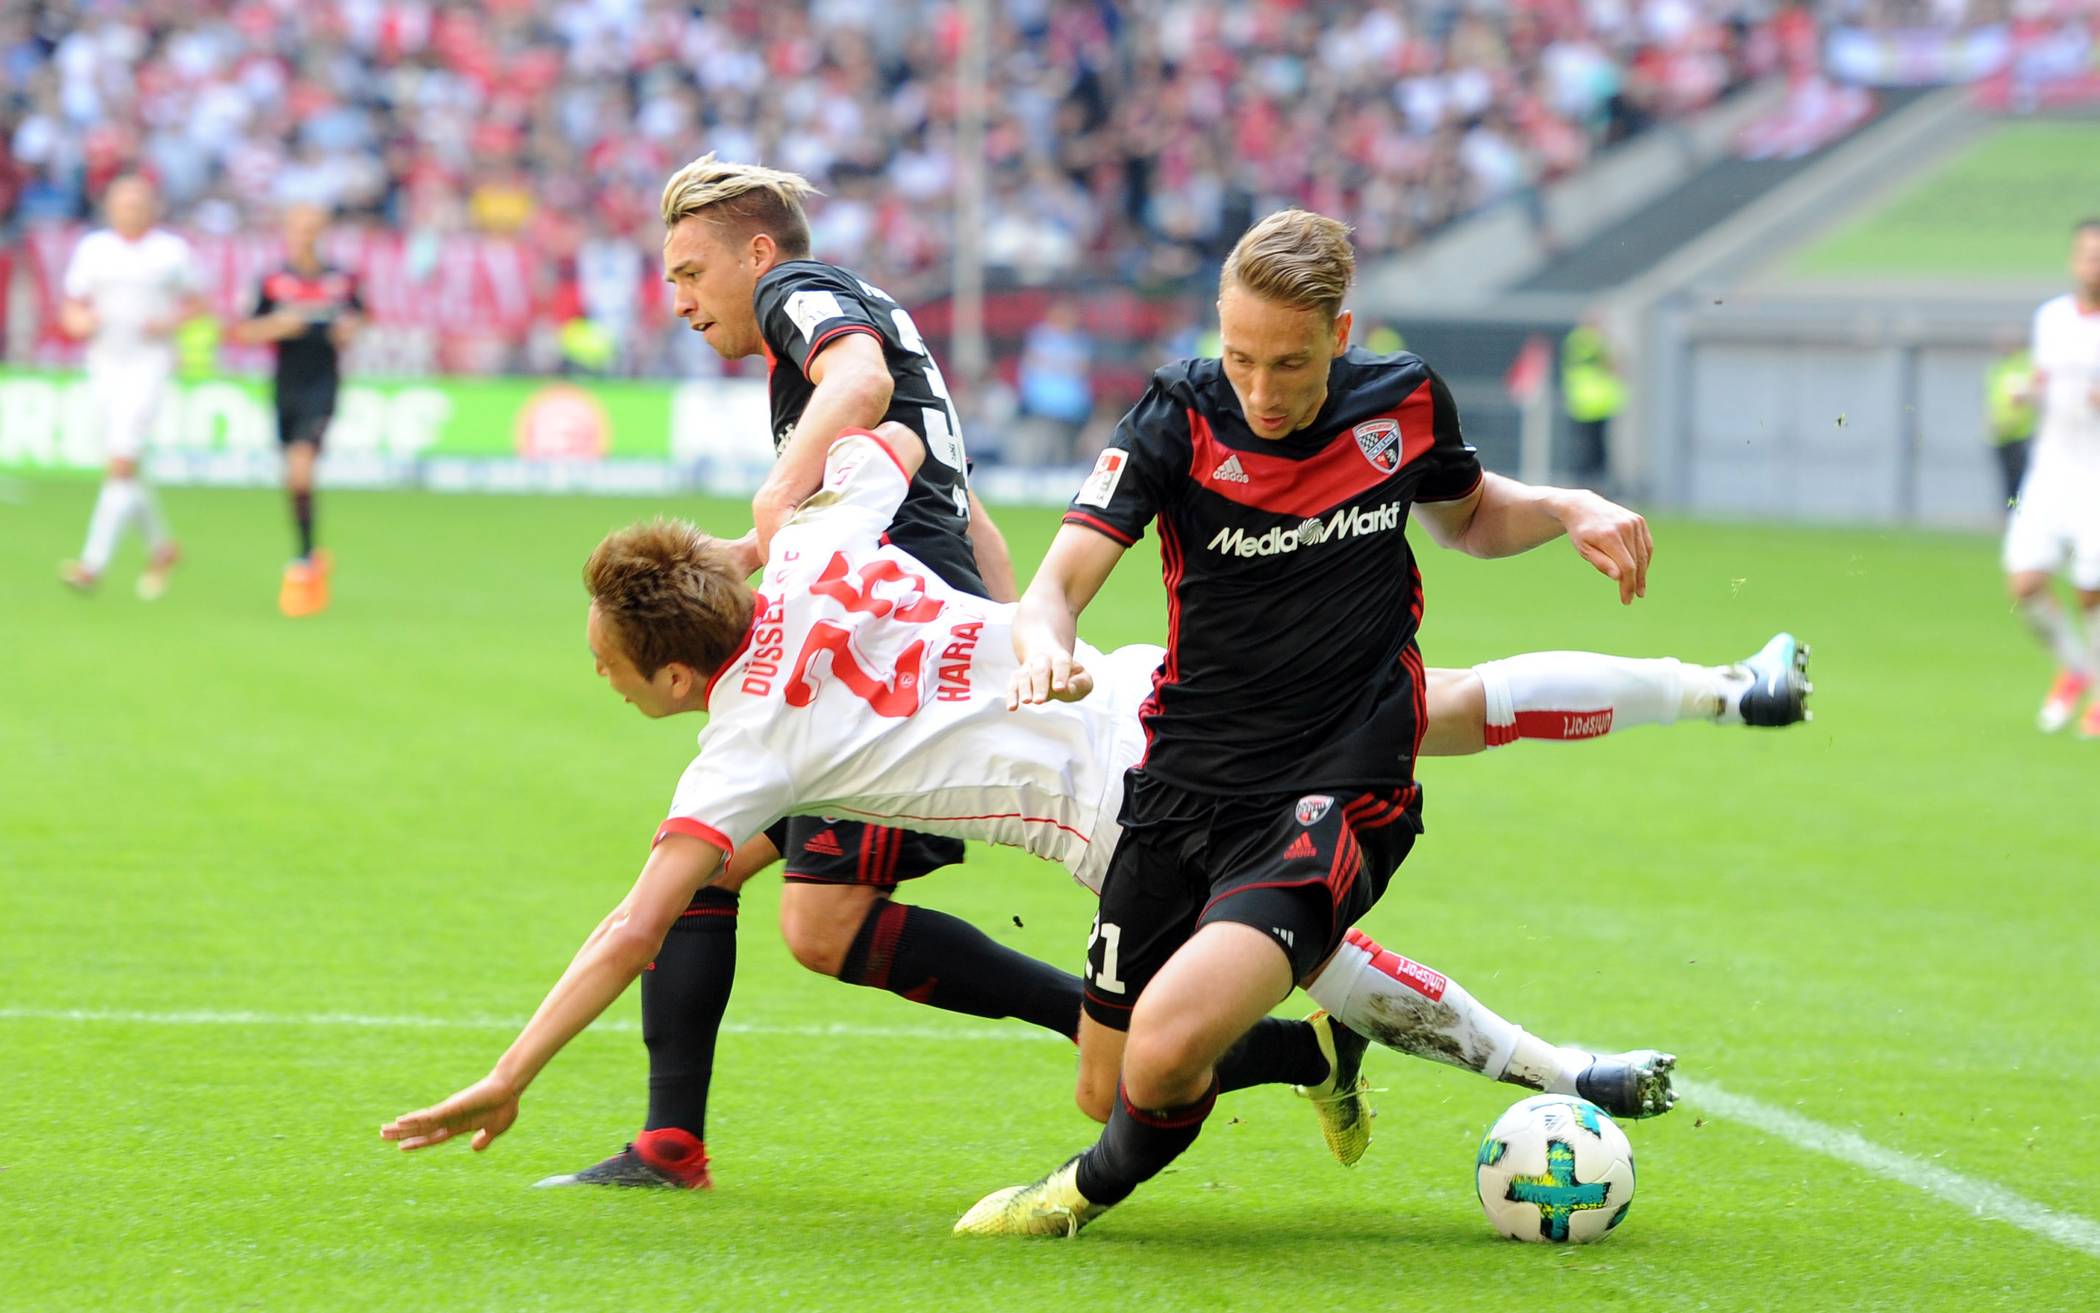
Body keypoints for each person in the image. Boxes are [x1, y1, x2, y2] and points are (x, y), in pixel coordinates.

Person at [383, 424, 1809, 1175]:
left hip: (1131, 821)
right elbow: (882, 435)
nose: (609, 689)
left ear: (681, 672)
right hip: (1142, 678)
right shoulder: (812, 543)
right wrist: (752, 527)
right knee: (1435, 707)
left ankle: (1560, 1073)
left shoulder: (741, 748)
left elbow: (638, 927)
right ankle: (1724, 684)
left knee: (1234, 991)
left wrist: (513, 1071)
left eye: (614, 671)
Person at [956, 209, 1658, 1237]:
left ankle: (1067, 1198)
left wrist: (1562, 506)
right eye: (1240, 357)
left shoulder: (1404, 402)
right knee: (1110, 1080)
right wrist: (1046, 645)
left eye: (1289, 363)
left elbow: (1464, 515)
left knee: (1161, 1049)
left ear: (1341, 331)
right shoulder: (1176, 417)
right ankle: (1315, 1052)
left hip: (1341, 782)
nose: (1262, 390)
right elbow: (1057, 581)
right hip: (1187, 777)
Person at [531, 153, 1052, 1190]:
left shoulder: (796, 296)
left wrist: (777, 492)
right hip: (901, 651)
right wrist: (1017, 628)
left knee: (820, 923)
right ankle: (668, 1141)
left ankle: (1119, 1023)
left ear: (757, 255)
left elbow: (856, 390)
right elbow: (957, 509)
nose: (678, 300)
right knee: (707, 873)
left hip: (882, 672)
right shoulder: (872, 318)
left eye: (689, 272)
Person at [57, 175, 206, 600]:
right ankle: (162, 548)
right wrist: (77, 322)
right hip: (105, 359)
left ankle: (91, 564)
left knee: (120, 462)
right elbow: (73, 304)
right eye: (124, 203)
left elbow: (198, 303)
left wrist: (169, 323)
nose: (131, 210)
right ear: (110, 208)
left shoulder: (171, 252)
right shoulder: (94, 250)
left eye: (139, 203)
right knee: (126, 464)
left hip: (150, 360)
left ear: (153, 208)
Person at [231, 204, 362, 617]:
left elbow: (360, 319)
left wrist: (348, 331)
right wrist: (279, 326)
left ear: (322, 232)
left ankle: (303, 564)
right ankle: (309, 551)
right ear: (287, 231)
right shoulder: (273, 282)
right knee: (292, 477)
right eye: (298, 228)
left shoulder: (339, 281)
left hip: (322, 386)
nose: (305, 235)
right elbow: (246, 330)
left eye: (312, 228)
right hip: (285, 385)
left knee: (301, 467)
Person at [2005, 219, 2100, 736]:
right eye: (2086, 253)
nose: (2094, 263)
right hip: (2050, 473)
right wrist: (2028, 391)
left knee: (2091, 591)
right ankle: (2078, 668)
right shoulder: (2052, 319)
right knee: (2025, 584)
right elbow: (2044, 375)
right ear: (2073, 260)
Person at [1561, 313, 1622, 487]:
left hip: (1587, 403)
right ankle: (1593, 484)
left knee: (1590, 448)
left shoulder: (1577, 341)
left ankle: (1588, 482)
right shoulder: (1592, 341)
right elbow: (1612, 364)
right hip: (1593, 403)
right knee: (1593, 450)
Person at [1984, 333, 2036, 512]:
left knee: (2020, 480)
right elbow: (1993, 400)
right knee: (2007, 480)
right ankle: (2010, 514)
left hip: (2020, 435)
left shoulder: (2025, 366)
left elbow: (2022, 402)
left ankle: (2020, 514)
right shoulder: (1998, 368)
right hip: (2000, 435)